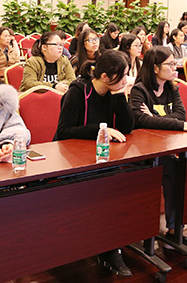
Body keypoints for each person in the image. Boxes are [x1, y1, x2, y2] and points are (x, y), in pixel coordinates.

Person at [53, 50, 134, 277]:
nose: (126, 80)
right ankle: (107, 247)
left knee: (130, 180)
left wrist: (120, 96)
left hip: (102, 158)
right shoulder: (78, 91)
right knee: (105, 189)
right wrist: (100, 130)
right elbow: (64, 131)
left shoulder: (113, 93)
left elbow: (127, 127)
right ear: (105, 76)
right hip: (72, 160)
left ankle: (113, 241)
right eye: (122, 75)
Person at [129, 47, 187, 241]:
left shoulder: (172, 88)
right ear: (155, 68)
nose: (174, 67)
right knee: (173, 169)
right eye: (169, 64)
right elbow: (141, 120)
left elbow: (180, 115)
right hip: (146, 150)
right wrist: (172, 123)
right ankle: (174, 229)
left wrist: (155, 117)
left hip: (171, 145)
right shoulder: (139, 90)